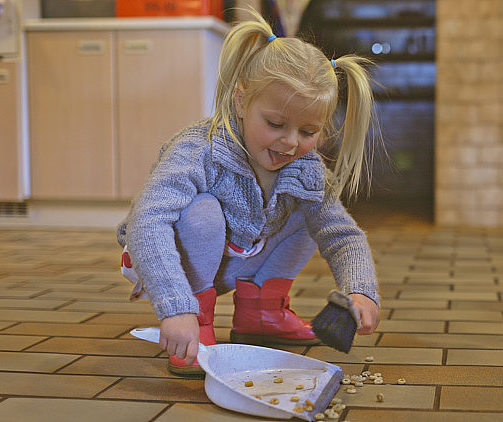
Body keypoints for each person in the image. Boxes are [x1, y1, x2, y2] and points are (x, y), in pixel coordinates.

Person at [116, 10, 381, 376]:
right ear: (241, 101)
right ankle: (196, 319)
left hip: (240, 252)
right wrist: (175, 308)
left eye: (308, 132)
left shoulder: (306, 169)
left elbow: (343, 234)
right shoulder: (199, 149)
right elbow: (147, 222)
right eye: (275, 124)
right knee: (203, 211)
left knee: (310, 208)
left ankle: (261, 313)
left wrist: (361, 289)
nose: (291, 143)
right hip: (166, 261)